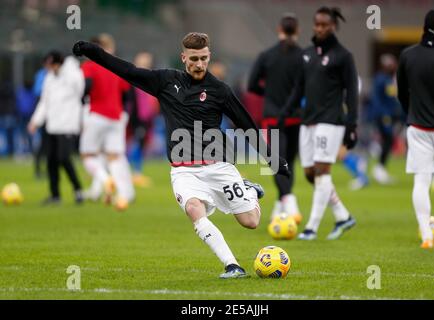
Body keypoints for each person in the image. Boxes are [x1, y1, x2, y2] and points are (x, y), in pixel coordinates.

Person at [73, 32, 289, 278]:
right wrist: (93, 52)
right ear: (183, 57)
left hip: (218, 166)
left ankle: (248, 190)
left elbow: (246, 126)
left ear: (209, 57)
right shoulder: (165, 81)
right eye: (194, 58)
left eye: (204, 58)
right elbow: (128, 71)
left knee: (251, 222)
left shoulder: (220, 90)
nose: (199, 64)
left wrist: (273, 159)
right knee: (193, 209)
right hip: (184, 170)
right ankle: (232, 265)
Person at [279, 7, 358, 240]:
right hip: (308, 120)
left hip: (331, 121)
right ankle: (343, 216)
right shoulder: (307, 54)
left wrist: (352, 125)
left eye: (325, 25)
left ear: (334, 26)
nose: (320, 28)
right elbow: (298, 88)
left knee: (323, 172)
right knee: (310, 173)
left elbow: (352, 93)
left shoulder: (344, 56)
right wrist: (284, 113)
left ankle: (311, 227)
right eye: (317, 24)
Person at [397, 10, 434, 249]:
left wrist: (412, 112)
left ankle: (426, 236)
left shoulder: (408, 55)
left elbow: (401, 93)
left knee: (421, 180)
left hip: (417, 126)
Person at [248, 13, 303, 224]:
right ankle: (286, 203)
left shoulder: (267, 55)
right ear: (297, 31)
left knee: (276, 163)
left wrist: (269, 93)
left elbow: (252, 84)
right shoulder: (304, 56)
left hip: (272, 117)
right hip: (296, 118)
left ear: (279, 29)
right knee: (289, 163)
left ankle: (286, 201)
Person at [80, 33, 135, 210]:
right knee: (115, 156)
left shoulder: (89, 66)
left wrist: (83, 99)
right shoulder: (114, 67)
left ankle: (105, 180)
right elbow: (127, 94)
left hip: (97, 114)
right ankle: (124, 193)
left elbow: (87, 86)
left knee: (88, 155)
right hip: (116, 117)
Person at [27, 51, 84, 205]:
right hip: (52, 125)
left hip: (67, 125)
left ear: (57, 63)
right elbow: (44, 102)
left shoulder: (74, 74)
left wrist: (67, 72)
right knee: (51, 160)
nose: (47, 69)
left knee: (64, 158)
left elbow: (80, 91)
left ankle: (78, 189)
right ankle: (55, 195)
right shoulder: (49, 78)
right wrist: (35, 121)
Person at [127, 51, 159, 188]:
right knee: (135, 144)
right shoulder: (134, 78)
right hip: (136, 118)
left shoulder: (150, 78)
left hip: (147, 118)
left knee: (141, 144)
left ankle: (135, 173)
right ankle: (134, 173)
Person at [369, 54, 402, 185]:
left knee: (388, 141)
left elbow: (391, 98)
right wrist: (383, 115)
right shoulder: (380, 79)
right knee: (387, 140)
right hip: (383, 115)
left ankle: (380, 168)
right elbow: (377, 99)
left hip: (389, 114)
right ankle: (379, 168)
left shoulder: (389, 79)